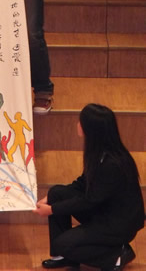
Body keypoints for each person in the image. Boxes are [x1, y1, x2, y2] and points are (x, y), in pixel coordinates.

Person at [34, 104, 144, 271]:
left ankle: (116, 255)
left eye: (81, 122)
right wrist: (50, 198)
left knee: (63, 243)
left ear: (92, 130)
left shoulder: (112, 164)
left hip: (118, 224)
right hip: (105, 212)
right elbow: (82, 183)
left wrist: (52, 210)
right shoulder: (100, 153)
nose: (78, 124)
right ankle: (64, 257)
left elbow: (88, 201)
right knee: (56, 193)